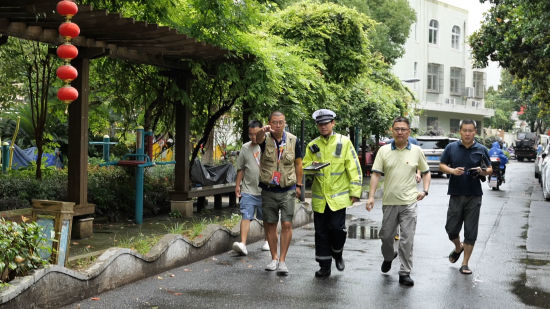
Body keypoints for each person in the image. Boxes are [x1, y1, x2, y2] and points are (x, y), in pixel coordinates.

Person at [366, 116, 431, 286]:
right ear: (392, 130)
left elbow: (426, 171)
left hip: (409, 202)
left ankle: (405, 271)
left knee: (407, 238)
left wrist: (425, 190)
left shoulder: (416, 150)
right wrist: (371, 196)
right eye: (397, 129)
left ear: (409, 132)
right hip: (389, 201)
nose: (400, 132)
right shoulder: (384, 151)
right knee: (386, 236)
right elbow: (375, 174)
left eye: (403, 129)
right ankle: (388, 256)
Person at [303, 109, 362, 278]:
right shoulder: (312, 145)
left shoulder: (344, 142)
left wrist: (355, 191)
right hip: (320, 198)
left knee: (337, 229)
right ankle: (324, 266)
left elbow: (354, 167)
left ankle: (338, 252)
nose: (323, 126)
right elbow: (304, 166)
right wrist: (311, 165)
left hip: (338, 198)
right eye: (320, 124)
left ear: (333, 123)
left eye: (326, 123)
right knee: (321, 233)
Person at [439, 119, 492, 275]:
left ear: (475, 131)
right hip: (455, 194)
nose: (467, 133)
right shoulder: (451, 147)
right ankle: (458, 247)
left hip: (474, 196)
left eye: (470, 130)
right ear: (460, 131)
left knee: (471, 231)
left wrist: (481, 171)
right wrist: (452, 171)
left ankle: (465, 263)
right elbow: (442, 165)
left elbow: (489, 169)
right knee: (451, 229)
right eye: (465, 130)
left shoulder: (482, 149)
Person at [256, 111, 303, 275]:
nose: (277, 125)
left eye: (280, 122)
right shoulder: (265, 138)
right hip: (269, 188)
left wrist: (299, 185)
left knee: (287, 224)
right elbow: (257, 139)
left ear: (285, 123)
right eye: (274, 122)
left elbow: (298, 164)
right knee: (269, 223)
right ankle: (274, 258)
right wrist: (263, 130)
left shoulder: (293, 140)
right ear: (269, 123)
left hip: (287, 187)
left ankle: (283, 260)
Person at [232, 120, 270, 256]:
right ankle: (243, 244)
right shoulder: (245, 148)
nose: (253, 137)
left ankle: (267, 241)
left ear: (262, 132)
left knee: (267, 217)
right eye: (251, 135)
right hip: (248, 189)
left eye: (256, 134)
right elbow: (241, 168)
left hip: (265, 190)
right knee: (245, 215)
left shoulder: (268, 145)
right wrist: (238, 185)